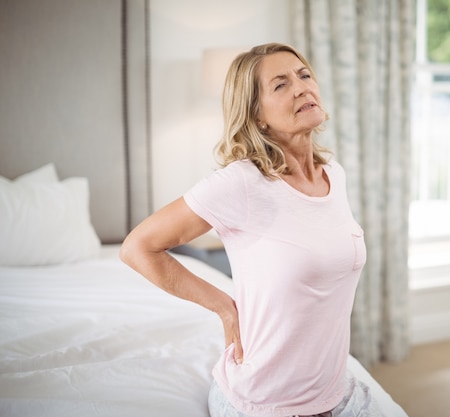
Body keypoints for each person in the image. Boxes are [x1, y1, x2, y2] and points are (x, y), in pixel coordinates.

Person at [120, 43, 382, 417]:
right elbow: (137, 247)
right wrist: (224, 308)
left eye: (304, 75)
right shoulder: (242, 183)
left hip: (336, 393)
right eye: (280, 84)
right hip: (264, 402)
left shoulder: (333, 176)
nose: (301, 87)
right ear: (257, 116)